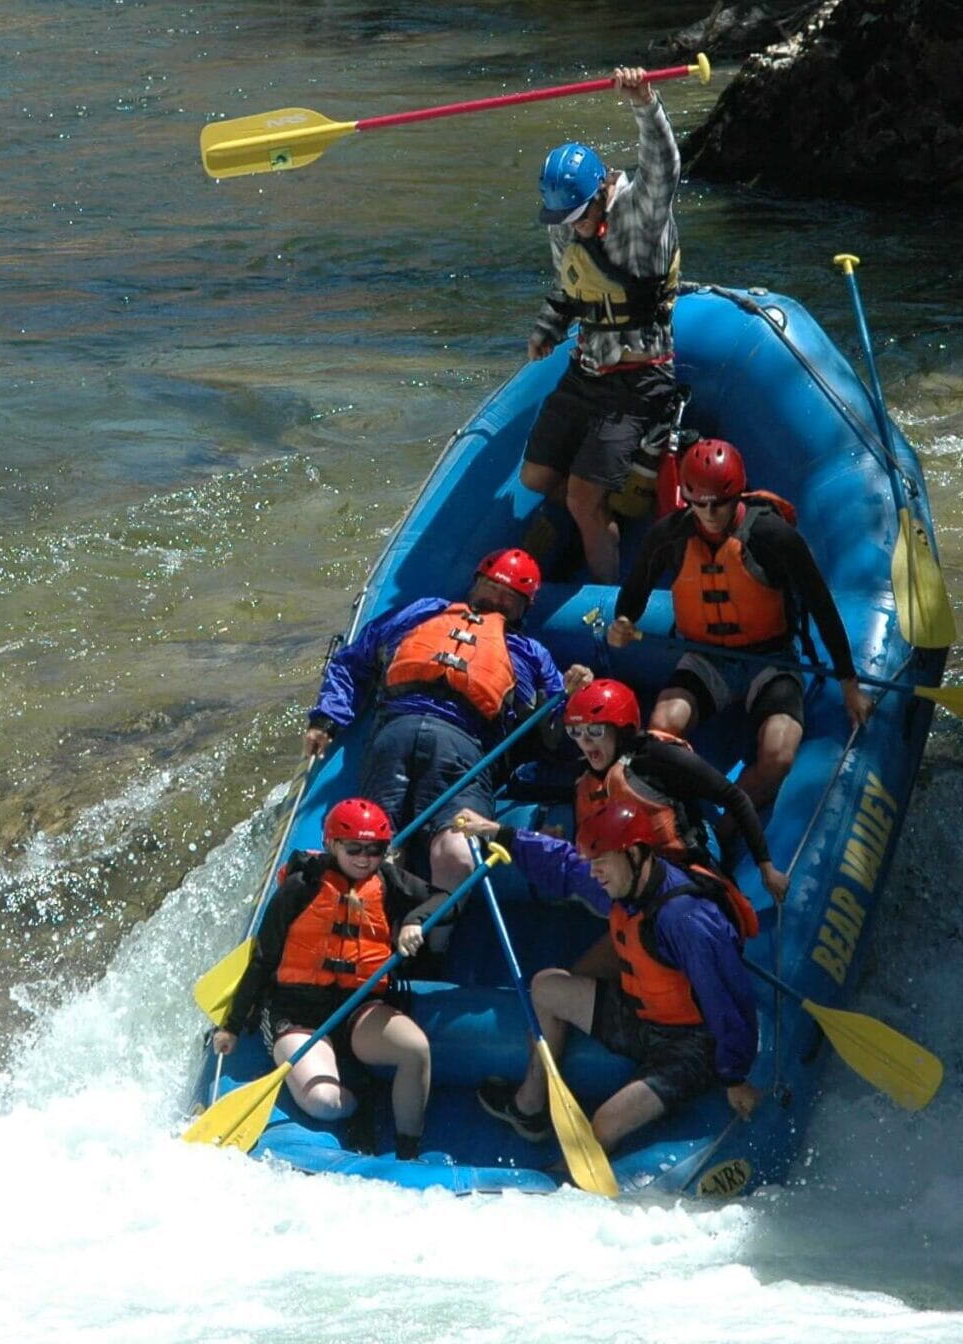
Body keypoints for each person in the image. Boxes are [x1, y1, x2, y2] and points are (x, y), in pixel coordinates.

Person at [453, 802, 760, 1157]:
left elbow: (728, 999)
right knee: (547, 985)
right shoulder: (621, 880)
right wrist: (498, 833)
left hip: (690, 1046)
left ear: (634, 854)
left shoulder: (687, 920)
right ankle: (530, 1108)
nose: (594, 873)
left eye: (601, 863)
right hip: (638, 1016)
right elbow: (564, 862)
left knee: (602, 1126)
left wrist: (735, 1077)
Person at [608, 437, 873, 808]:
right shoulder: (670, 535)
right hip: (705, 658)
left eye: (720, 503)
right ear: (687, 497)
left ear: (738, 494)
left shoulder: (773, 537)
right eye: (700, 504)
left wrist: (849, 684)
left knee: (779, 755)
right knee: (664, 726)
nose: (710, 513)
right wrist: (624, 620)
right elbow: (636, 587)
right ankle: (676, 817)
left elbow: (821, 605)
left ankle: (726, 830)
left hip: (770, 659)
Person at [304, 548, 574, 887]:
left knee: (425, 847)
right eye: (493, 588)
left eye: (508, 596)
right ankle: (399, 920)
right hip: (418, 739)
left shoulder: (431, 614)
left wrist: (568, 694)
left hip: (445, 744)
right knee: (425, 848)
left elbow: (557, 728)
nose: (497, 599)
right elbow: (352, 662)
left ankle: (411, 920)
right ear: (475, 584)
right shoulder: (429, 613)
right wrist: (325, 720)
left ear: (524, 606)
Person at [519, 66, 684, 585]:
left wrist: (644, 102)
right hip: (588, 371)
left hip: (639, 379)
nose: (571, 229)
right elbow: (572, 288)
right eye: (561, 220)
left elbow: (664, 167)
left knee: (583, 499)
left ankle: (608, 594)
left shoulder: (641, 213)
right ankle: (609, 498)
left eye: (577, 218)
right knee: (536, 476)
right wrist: (547, 329)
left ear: (600, 193)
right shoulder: (565, 223)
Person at [214, 798, 439, 1159]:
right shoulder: (300, 887)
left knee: (415, 1049)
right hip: (297, 1013)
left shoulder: (387, 880)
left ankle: (408, 1151)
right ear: (331, 844)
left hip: (357, 1008)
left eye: (376, 849)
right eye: (355, 849)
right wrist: (232, 1026)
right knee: (323, 1101)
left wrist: (414, 921)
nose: (365, 858)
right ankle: (359, 1101)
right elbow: (262, 960)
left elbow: (444, 900)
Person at [562, 677, 789, 900]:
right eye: (575, 732)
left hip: (687, 864)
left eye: (594, 731)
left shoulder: (659, 757)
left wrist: (767, 869)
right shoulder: (586, 778)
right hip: (637, 873)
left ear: (621, 729)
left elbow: (734, 797)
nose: (584, 742)